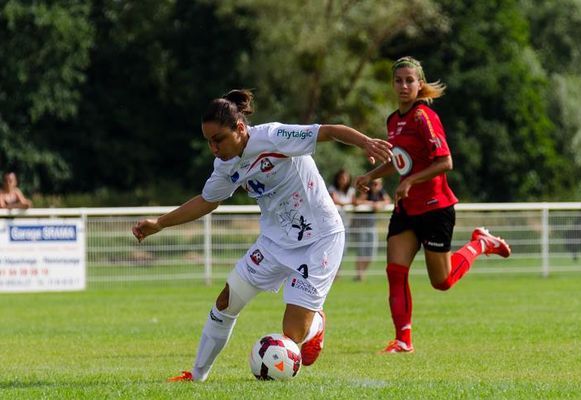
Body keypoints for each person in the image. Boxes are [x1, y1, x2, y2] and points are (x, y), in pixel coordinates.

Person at [132, 89, 392, 382]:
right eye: (209, 142)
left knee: (292, 336)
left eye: (219, 139)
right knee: (224, 304)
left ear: (240, 128)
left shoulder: (274, 137)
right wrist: (160, 223)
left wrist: (366, 142)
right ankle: (196, 375)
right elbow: (206, 201)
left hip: (319, 240)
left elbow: (328, 131)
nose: (214, 149)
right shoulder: (225, 165)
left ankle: (316, 324)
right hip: (273, 244)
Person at [355, 57, 511, 354]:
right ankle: (403, 341)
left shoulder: (423, 117)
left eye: (409, 80)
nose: (404, 86)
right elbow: (399, 161)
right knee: (395, 271)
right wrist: (371, 175)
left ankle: (480, 243)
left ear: (419, 84)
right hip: (406, 210)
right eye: (399, 80)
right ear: (392, 84)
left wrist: (410, 181)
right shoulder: (393, 120)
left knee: (442, 282)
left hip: (435, 208)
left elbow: (445, 162)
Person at [351, 178, 390, 281]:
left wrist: (379, 204)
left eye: (377, 184)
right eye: (373, 183)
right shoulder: (366, 191)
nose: (375, 186)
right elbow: (358, 201)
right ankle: (359, 275)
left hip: (371, 225)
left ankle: (361, 273)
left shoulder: (381, 192)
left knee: (371, 252)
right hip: (360, 225)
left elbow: (387, 200)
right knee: (362, 250)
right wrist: (372, 204)